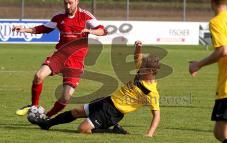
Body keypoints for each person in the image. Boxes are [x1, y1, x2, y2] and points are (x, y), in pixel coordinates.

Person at [32, 41, 161, 137]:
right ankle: (46, 124)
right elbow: (137, 58)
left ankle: (113, 130)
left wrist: (149, 134)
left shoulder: (151, 92)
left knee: (83, 129)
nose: (139, 67)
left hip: (113, 113)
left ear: (150, 71)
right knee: (76, 111)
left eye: (143, 67)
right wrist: (138, 48)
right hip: (107, 101)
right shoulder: (142, 72)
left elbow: (156, 115)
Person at [12, 0, 107, 118]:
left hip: (76, 61)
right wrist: (25, 29)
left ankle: (46, 117)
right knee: (39, 76)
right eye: (65, 3)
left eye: (70, 3)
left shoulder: (85, 16)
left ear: (77, 2)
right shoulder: (59, 17)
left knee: (66, 97)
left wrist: (90, 31)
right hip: (60, 56)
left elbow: (103, 31)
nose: (68, 6)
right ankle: (34, 106)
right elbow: (44, 28)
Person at [189, 0, 227, 142]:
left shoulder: (217, 22)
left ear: (211, 0)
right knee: (219, 132)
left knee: (226, 134)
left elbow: (223, 50)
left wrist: (198, 64)